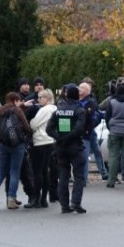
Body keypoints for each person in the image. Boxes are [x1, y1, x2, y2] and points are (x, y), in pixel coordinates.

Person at [0, 92, 31, 210]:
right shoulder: (18, 111)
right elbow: (26, 127)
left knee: (1, 172)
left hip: (3, 144)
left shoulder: (0, 110)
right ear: (15, 100)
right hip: (17, 145)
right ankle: (11, 199)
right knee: (14, 171)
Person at [48, 84, 89, 213]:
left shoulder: (59, 110)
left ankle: (64, 205)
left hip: (60, 147)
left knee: (63, 176)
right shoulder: (79, 110)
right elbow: (78, 129)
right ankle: (76, 203)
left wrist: (59, 138)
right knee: (78, 176)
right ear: (77, 96)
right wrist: (67, 138)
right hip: (75, 146)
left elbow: (49, 129)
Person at [26, 89, 57, 209]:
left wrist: (32, 121)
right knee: (45, 171)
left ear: (47, 98)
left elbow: (33, 124)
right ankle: (44, 198)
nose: (38, 100)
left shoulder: (44, 110)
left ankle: (36, 199)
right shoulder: (55, 109)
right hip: (51, 141)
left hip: (40, 141)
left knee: (37, 171)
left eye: (40, 97)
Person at [101, 84, 124, 187]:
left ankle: (111, 181)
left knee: (113, 156)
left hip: (114, 131)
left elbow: (107, 116)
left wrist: (111, 128)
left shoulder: (112, 102)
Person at [78, 80, 108, 184]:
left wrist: (88, 129)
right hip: (85, 132)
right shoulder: (77, 101)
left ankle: (87, 178)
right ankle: (102, 174)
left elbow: (94, 117)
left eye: (81, 88)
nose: (79, 89)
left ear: (87, 91)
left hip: (88, 132)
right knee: (89, 153)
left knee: (91, 154)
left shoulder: (90, 101)